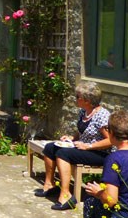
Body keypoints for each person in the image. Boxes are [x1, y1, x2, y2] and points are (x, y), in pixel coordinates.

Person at [37, 81, 112, 210]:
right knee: (50, 147)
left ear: (87, 100)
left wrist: (88, 146)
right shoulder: (84, 112)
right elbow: (82, 130)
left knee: (63, 153)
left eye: (78, 97)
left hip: (100, 152)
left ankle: (66, 194)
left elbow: (110, 140)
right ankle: (49, 184)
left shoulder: (102, 115)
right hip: (84, 147)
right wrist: (72, 138)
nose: (75, 99)